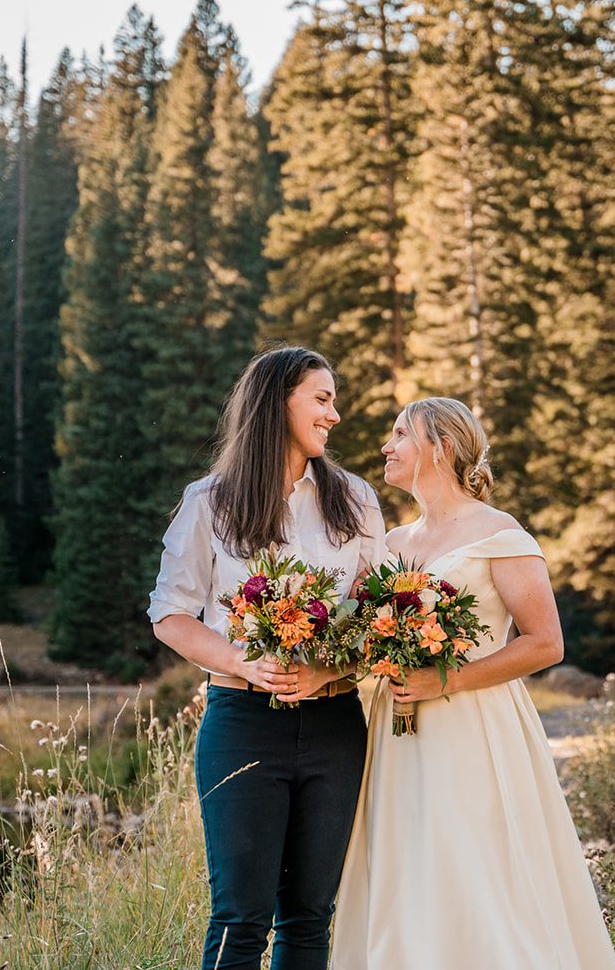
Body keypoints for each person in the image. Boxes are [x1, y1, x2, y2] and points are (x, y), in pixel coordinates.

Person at [331, 397, 615, 969]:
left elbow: (545, 643)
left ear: (438, 447)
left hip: (475, 728)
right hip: (396, 732)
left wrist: (448, 682)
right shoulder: (390, 545)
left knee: (476, 866)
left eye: (398, 435)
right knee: (408, 865)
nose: (385, 448)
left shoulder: (498, 533)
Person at [148, 346, 386, 970]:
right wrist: (244, 662)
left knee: (309, 919)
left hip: (337, 726)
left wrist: (329, 669)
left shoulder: (355, 500)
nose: (335, 415)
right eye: (322, 398)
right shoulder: (208, 502)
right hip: (242, 723)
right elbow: (170, 614)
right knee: (240, 919)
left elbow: (378, 615)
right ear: (277, 402)